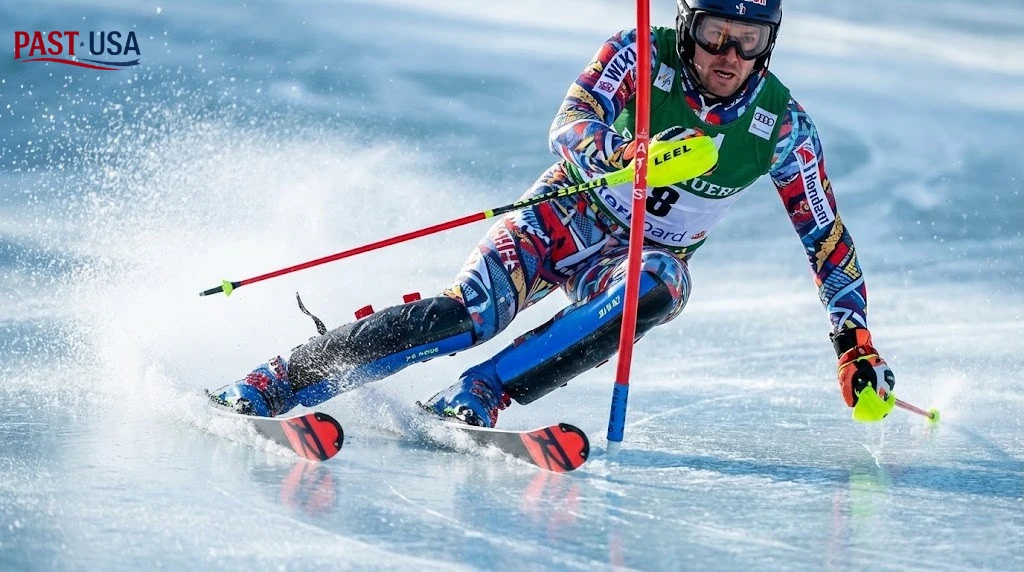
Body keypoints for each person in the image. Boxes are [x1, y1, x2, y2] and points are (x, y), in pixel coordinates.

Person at [208, 0, 897, 427]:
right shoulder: (638, 49)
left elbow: (826, 241)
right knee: (469, 315)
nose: (729, 56)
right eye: (716, 33)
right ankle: (282, 378)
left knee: (660, 287)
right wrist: (624, 154)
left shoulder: (782, 127)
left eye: (749, 40)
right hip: (562, 217)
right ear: (689, 26)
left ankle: (480, 394)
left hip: (635, 259)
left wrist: (853, 342)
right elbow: (568, 123)